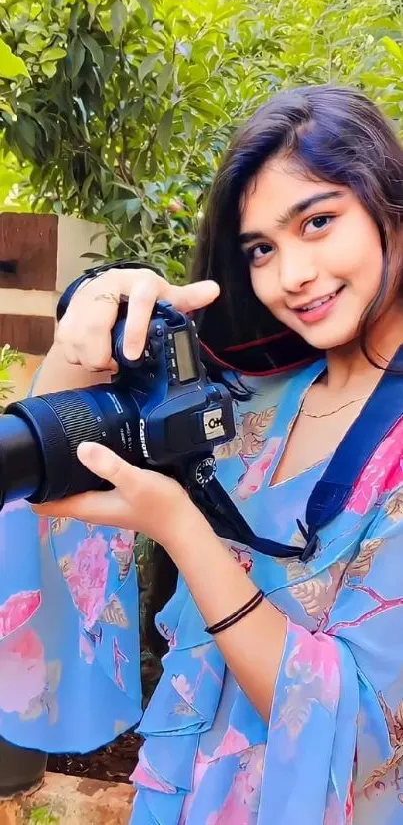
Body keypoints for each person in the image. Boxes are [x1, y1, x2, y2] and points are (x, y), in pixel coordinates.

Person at [2, 83, 403, 823]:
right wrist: (85, 323)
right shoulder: (259, 397)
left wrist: (181, 528)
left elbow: (362, 738)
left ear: (390, 208)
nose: (291, 275)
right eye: (261, 248)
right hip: (176, 790)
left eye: (317, 221)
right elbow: (62, 508)